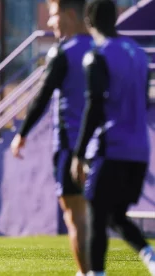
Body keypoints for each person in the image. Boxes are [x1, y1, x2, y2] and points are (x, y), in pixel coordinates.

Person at [70, 1, 155, 275]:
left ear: (88, 21)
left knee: (96, 213)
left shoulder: (97, 55)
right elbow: (144, 101)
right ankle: (150, 256)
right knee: (115, 215)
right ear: (117, 17)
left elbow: (94, 105)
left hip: (111, 147)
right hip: (140, 149)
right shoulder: (139, 55)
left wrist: (79, 153)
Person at [10, 0, 92, 274]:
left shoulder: (64, 52)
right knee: (100, 214)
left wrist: (22, 133)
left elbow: (43, 96)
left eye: (53, 15)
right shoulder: (104, 48)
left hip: (71, 144)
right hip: (107, 144)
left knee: (75, 216)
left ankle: (88, 273)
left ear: (70, 14)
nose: (49, 22)